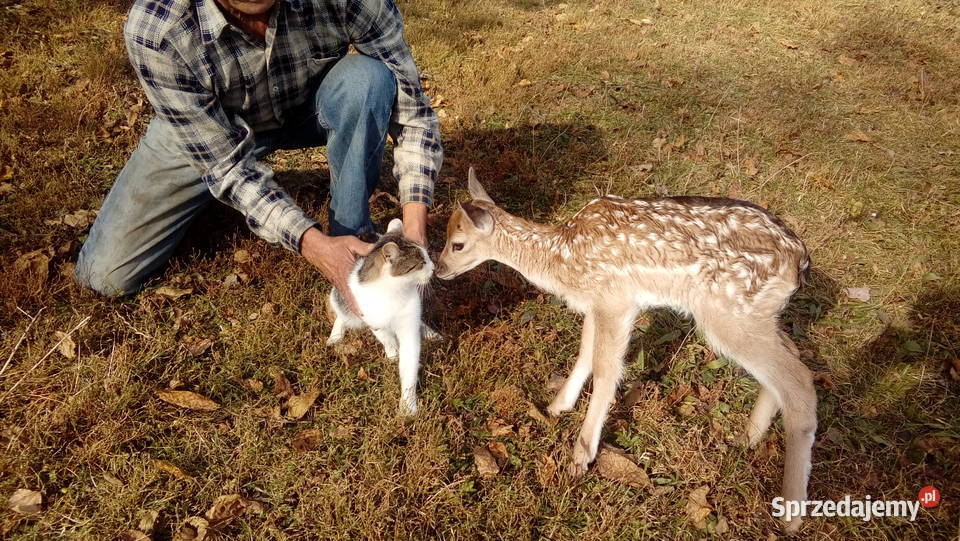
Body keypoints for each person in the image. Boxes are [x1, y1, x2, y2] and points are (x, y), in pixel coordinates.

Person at [75, 0, 442, 312]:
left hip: (307, 106)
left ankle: (353, 239)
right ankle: (216, 208)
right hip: (209, 131)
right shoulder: (157, 28)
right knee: (105, 276)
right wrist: (312, 244)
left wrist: (414, 228)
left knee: (368, 80)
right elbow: (226, 165)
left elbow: (412, 113)